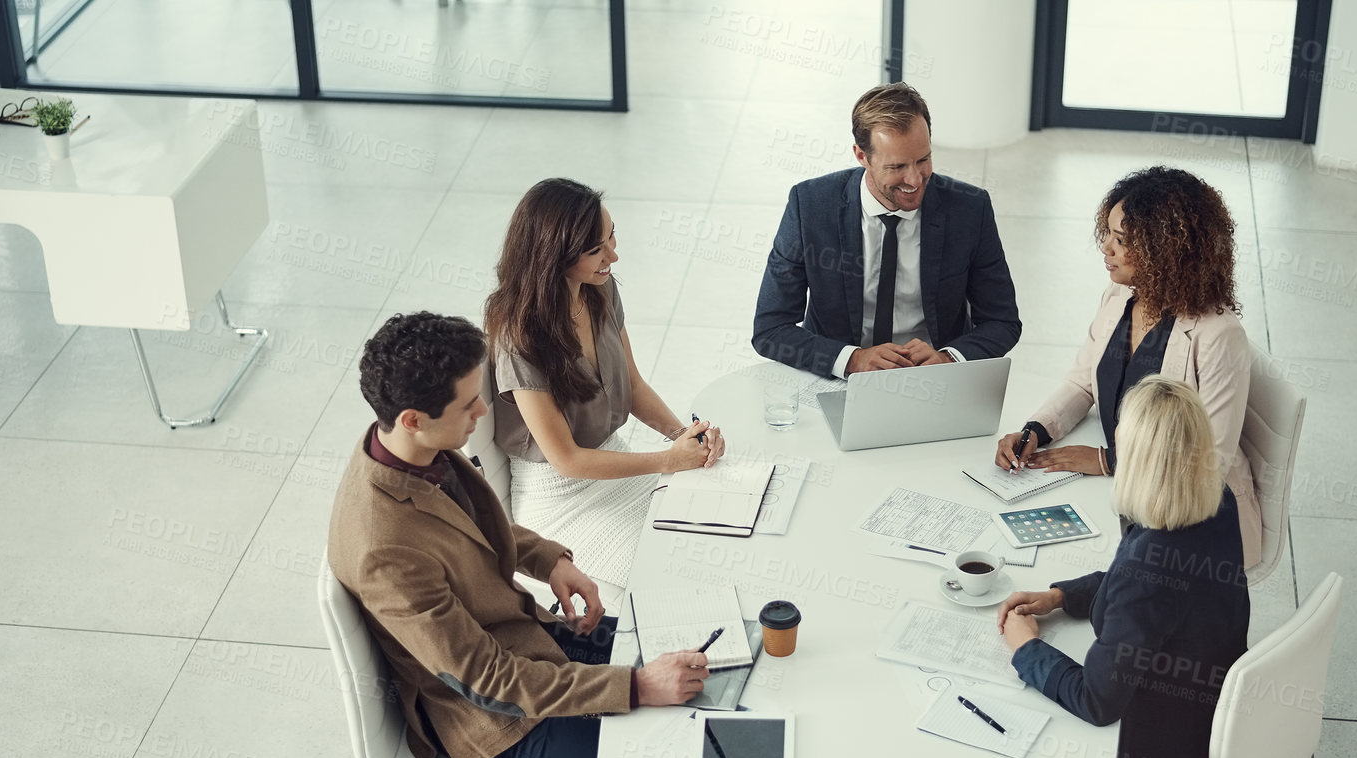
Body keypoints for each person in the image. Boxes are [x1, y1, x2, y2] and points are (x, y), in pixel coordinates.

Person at [327, 312, 856, 758]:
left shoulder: (410, 447)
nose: (483, 413)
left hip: (526, 643)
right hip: (495, 715)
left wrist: (551, 559)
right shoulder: (382, 541)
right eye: (467, 406)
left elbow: (474, 523)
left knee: (690, 643)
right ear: (409, 416)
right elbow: (486, 681)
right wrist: (633, 687)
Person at [888, 376, 1249, 758]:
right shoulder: (1213, 504)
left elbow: (1097, 700)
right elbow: (1137, 583)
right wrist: (1063, 596)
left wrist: (1025, 649)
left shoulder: (1149, 569)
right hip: (1210, 722)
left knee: (980, 707)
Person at [996, 166, 1261, 567]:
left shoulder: (1218, 336)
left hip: (1189, 516)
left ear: (1166, 251)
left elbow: (1210, 459)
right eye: (1108, 233)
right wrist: (1037, 429)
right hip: (1124, 492)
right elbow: (1083, 380)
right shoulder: (1120, 294)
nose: (1106, 247)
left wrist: (1109, 461)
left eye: (1121, 240)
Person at [484, 178, 724, 590]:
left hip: (613, 462)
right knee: (667, 573)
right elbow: (567, 460)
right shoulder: (519, 337)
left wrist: (686, 436)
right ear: (552, 257)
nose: (613, 254)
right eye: (595, 250)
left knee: (710, 535)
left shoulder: (598, 288)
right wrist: (668, 460)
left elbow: (632, 385)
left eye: (611, 235)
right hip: (559, 495)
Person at [752, 82, 1021, 377]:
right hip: (839, 378)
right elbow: (770, 329)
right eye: (897, 167)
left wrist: (948, 359)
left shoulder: (970, 209)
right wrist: (852, 360)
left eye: (923, 160)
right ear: (861, 156)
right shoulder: (810, 206)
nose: (915, 179)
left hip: (935, 380)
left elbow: (1002, 321)